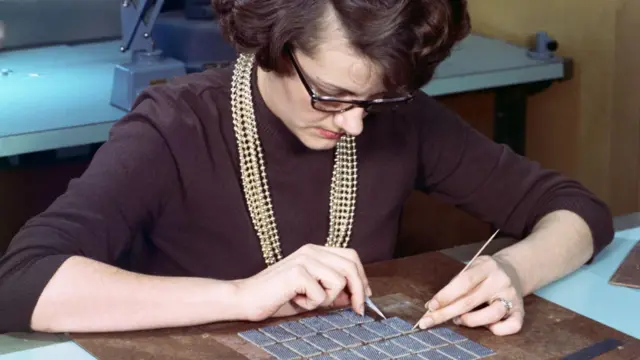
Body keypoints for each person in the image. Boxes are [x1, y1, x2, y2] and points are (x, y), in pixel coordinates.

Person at [0, 0, 613, 336]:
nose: (355, 125)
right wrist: (241, 296)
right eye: (332, 96)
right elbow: (21, 283)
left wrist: (512, 270)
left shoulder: (399, 119)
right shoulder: (175, 127)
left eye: (375, 100)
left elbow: (578, 210)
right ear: (270, 40)